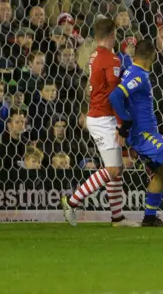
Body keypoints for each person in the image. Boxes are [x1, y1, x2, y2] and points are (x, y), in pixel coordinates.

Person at [60, 18, 138, 227]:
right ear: (113, 35)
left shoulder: (94, 56)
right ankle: (71, 201)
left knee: (116, 167)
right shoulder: (111, 59)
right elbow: (115, 96)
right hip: (104, 118)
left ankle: (117, 218)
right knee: (112, 170)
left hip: (98, 115)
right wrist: (122, 125)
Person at [108, 40, 163, 227]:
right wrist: (126, 122)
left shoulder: (130, 71)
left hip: (143, 133)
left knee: (162, 172)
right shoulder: (139, 76)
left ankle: (149, 217)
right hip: (143, 134)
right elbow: (115, 96)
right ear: (151, 57)